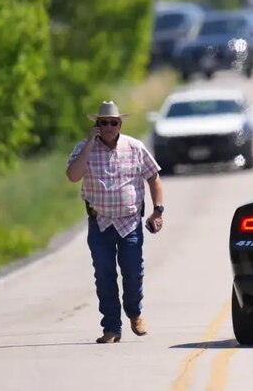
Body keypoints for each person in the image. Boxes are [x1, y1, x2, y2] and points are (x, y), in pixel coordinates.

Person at [66, 101, 165, 344]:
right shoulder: (84, 148)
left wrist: (158, 210)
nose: (109, 127)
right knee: (104, 275)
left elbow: (153, 177)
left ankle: (135, 313)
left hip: (129, 223)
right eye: (103, 122)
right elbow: (73, 176)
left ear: (120, 124)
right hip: (100, 223)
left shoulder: (135, 147)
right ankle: (111, 327)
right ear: (96, 125)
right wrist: (89, 144)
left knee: (133, 272)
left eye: (113, 122)